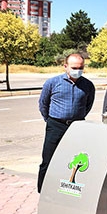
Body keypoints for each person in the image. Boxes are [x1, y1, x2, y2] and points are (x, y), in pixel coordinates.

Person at [37, 53, 95, 192]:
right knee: (48, 159)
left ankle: (69, 188)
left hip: (77, 127)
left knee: (74, 161)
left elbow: (88, 105)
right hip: (56, 125)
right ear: (65, 66)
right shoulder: (52, 83)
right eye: (74, 67)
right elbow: (43, 104)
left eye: (81, 67)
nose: (78, 70)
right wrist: (50, 120)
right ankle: (43, 190)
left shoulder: (87, 85)